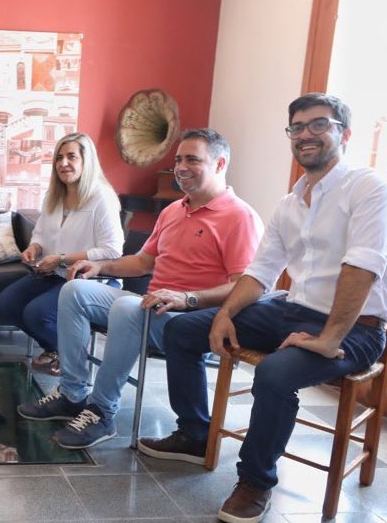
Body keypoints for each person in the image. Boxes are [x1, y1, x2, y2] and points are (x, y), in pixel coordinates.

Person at [138, 94, 387, 523]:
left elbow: (363, 266)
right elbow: (260, 272)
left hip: (356, 327)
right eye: (297, 127)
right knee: (182, 329)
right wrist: (225, 314)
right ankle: (195, 434)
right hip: (291, 309)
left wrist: (330, 338)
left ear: (345, 134)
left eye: (319, 124)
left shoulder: (371, 188)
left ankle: (255, 482)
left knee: (275, 374)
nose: (305, 134)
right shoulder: (290, 203)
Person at [16, 128, 264, 451]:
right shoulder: (173, 211)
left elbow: (245, 285)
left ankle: (102, 412)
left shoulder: (240, 217)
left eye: (192, 160)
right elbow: (143, 263)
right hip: (151, 306)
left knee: (127, 308)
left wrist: (187, 298)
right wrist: (101, 267)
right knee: (74, 290)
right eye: (178, 160)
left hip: (191, 318)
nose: (181, 167)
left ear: (220, 164)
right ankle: (73, 395)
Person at [0, 132, 124, 376]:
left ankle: (73, 358)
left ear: (86, 161)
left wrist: (63, 258)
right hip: (55, 274)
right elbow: (40, 234)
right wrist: (34, 247)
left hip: (90, 279)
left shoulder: (102, 197)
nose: (63, 163)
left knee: (38, 314)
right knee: (7, 303)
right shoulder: (54, 196)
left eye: (71, 157)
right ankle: (57, 349)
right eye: (59, 157)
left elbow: (112, 249)